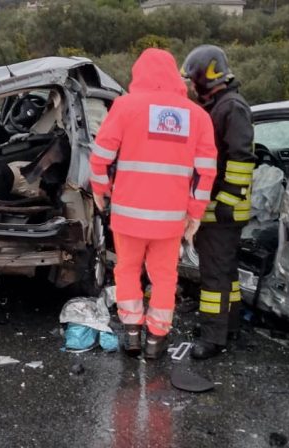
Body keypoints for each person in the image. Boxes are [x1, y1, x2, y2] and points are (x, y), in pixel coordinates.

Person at [90, 48, 217, 359]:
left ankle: (132, 334)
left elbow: (101, 157)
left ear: (139, 74)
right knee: (164, 277)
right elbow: (205, 171)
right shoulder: (197, 116)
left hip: (128, 215)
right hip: (171, 219)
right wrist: (195, 213)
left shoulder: (124, 107)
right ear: (175, 75)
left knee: (127, 271)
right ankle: (156, 340)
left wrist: (100, 190)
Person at [181, 45, 257, 360]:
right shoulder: (221, 106)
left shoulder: (231, 107)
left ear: (204, 76)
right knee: (226, 273)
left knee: (213, 274)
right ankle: (230, 325)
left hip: (224, 210)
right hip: (220, 208)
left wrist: (226, 199)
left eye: (192, 79)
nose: (191, 86)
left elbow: (241, 158)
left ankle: (214, 337)